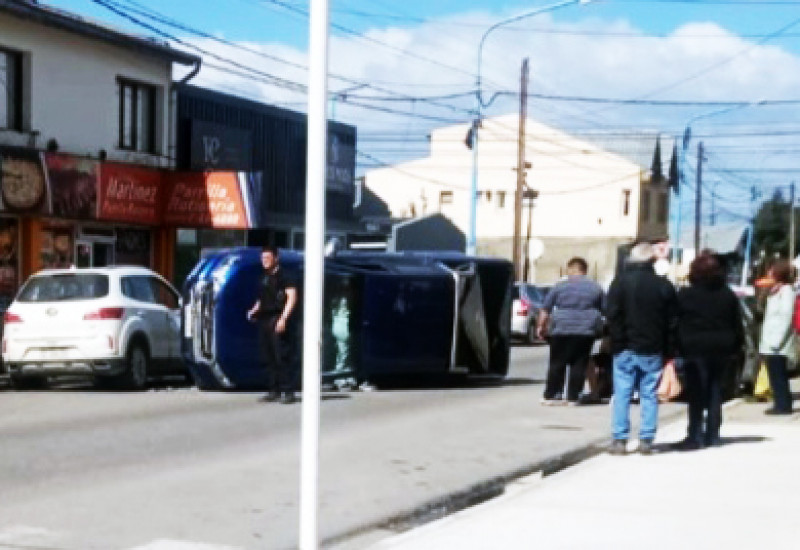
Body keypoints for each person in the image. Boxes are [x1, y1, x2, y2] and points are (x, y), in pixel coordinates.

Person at [606, 242, 678, 455]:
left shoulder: (619, 283)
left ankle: (620, 439)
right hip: (651, 347)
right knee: (649, 394)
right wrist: (668, 350)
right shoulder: (663, 286)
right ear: (652, 260)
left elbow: (612, 315)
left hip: (624, 346)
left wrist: (617, 341)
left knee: (622, 393)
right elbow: (671, 321)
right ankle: (646, 438)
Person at [673, 253, 744, 450]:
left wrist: (675, 345)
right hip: (722, 347)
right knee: (715, 390)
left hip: (694, 347)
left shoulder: (686, 295)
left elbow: (675, 322)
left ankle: (695, 434)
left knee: (696, 392)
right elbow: (736, 323)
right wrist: (737, 347)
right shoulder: (727, 294)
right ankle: (712, 433)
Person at [536, 257, 605, 405]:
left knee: (556, 363)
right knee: (579, 364)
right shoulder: (595, 288)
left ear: (569, 269)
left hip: (561, 329)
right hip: (585, 331)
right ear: (584, 271)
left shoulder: (559, 287)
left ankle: (552, 394)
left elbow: (545, 309)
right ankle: (573, 396)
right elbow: (605, 310)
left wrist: (541, 327)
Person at [247, 246, 299, 404]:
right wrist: (254, 310)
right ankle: (273, 389)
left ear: (276, 258)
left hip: (278, 317)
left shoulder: (285, 276)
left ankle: (288, 391)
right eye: (263, 258)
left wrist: (283, 318)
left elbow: (292, 297)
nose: (265, 261)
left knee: (281, 355)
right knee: (268, 355)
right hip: (265, 318)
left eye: (268, 258)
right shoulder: (264, 277)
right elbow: (261, 299)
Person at [758, 259, 795, 415]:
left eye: (771, 271)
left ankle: (783, 405)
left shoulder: (786, 291)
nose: (769, 274)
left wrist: (776, 341)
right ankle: (781, 402)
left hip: (778, 343)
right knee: (774, 374)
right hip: (769, 341)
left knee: (779, 375)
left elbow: (786, 317)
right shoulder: (774, 291)